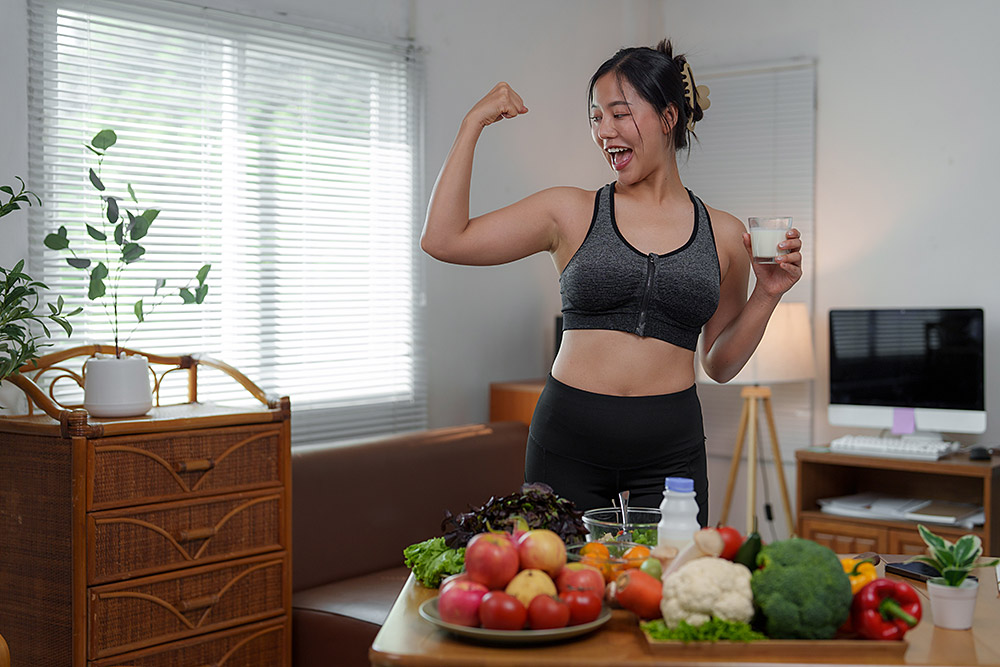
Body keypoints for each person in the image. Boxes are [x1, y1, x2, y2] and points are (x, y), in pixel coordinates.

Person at [421, 40, 803, 525]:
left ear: (668, 118)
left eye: (619, 114)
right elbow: (443, 239)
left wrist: (767, 295)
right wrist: (471, 124)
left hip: (672, 451)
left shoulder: (725, 234)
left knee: (666, 595)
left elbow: (720, 363)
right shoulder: (570, 210)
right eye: (596, 118)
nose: (604, 131)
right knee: (560, 593)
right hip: (567, 442)